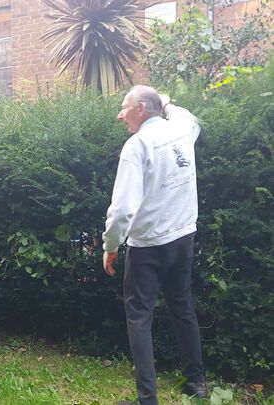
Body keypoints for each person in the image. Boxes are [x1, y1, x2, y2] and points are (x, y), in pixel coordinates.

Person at [102, 86, 207, 405]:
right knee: (182, 306)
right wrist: (166, 100)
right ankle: (196, 383)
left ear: (142, 108)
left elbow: (122, 208)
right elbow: (185, 114)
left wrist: (111, 245)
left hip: (147, 246)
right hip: (183, 237)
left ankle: (147, 399)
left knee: (139, 317)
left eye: (125, 107)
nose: (120, 114)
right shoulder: (181, 127)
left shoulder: (137, 145)